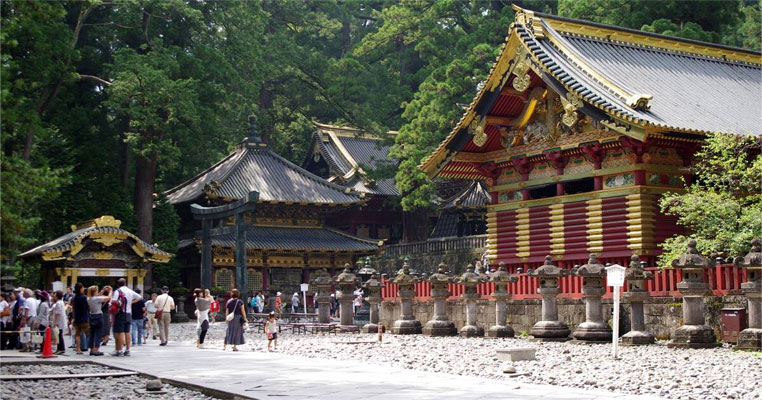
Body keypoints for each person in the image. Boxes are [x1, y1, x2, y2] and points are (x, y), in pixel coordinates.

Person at [110, 278, 141, 356]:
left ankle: (119, 349)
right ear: (125, 283)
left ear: (118, 284)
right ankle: (127, 349)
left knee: (120, 332)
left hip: (120, 313)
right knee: (127, 332)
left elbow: (114, 301)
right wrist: (131, 302)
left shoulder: (118, 291)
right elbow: (139, 297)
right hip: (128, 313)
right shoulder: (130, 291)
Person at [86, 285, 110, 356]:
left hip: (91, 316)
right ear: (95, 292)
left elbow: (97, 296)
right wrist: (110, 291)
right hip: (98, 315)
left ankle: (91, 349)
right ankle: (96, 349)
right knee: (98, 333)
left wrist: (102, 290)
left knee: (92, 333)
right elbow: (108, 298)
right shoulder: (96, 299)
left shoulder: (89, 299)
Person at [71, 283, 90, 354]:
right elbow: (87, 307)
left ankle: (78, 349)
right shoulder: (84, 297)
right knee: (89, 333)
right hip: (84, 317)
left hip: (77, 317)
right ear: (81, 289)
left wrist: (73, 317)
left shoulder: (74, 297)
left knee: (77, 334)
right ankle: (92, 347)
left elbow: (73, 308)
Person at [49, 290, 67, 354]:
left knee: (59, 335)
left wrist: (55, 322)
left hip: (59, 321)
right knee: (58, 335)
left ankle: (61, 348)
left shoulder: (58, 303)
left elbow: (57, 313)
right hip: (60, 321)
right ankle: (59, 348)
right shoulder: (60, 302)